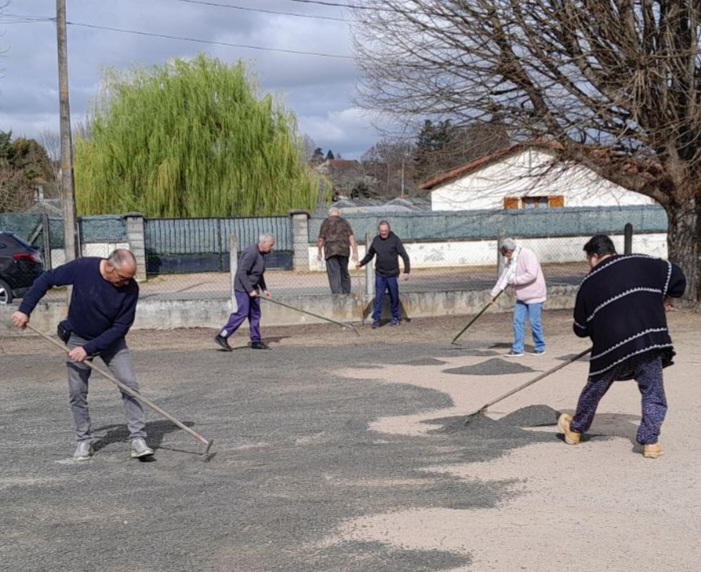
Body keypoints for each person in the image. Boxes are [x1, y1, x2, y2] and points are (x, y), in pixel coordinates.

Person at [10, 249, 154, 461]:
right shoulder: (83, 268)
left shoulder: (131, 289)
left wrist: (88, 349)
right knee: (77, 391)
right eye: (123, 278)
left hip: (110, 341)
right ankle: (83, 441)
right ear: (110, 266)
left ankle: (138, 440)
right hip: (78, 337)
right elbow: (46, 279)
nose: (126, 283)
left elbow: (120, 328)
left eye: (130, 278)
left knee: (129, 384)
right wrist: (24, 310)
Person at [558, 234, 686, 458]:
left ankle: (576, 430)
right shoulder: (643, 261)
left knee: (595, 389)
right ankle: (650, 442)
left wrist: (599, 326)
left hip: (611, 348)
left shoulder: (589, 283)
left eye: (589, 259)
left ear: (595, 256)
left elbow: (580, 328)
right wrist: (667, 299)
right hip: (649, 339)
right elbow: (676, 275)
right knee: (653, 390)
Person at [214, 234, 275, 351]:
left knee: (255, 314)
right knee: (242, 313)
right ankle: (222, 335)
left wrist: (264, 289)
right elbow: (241, 272)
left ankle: (256, 340)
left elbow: (258, 274)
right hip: (242, 288)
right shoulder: (251, 253)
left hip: (253, 288)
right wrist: (250, 290)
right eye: (271, 245)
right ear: (264, 243)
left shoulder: (263, 254)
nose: (272, 248)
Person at [490, 237, 547, 357]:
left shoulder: (527, 255)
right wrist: (493, 294)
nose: (506, 257)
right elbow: (504, 278)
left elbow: (531, 274)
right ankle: (517, 349)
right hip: (521, 296)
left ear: (509, 251)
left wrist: (515, 281)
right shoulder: (511, 261)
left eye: (506, 254)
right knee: (517, 321)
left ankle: (540, 346)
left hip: (535, 295)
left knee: (534, 322)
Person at [356, 220, 410, 328]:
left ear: (389, 230)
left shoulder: (395, 240)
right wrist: (361, 263)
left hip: (392, 274)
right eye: (382, 231)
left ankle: (395, 318)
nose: (384, 233)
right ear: (379, 231)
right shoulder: (376, 241)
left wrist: (407, 271)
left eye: (385, 230)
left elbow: (404, 255)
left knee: (394, 297)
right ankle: (376, 319)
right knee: (379, 297)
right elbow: (370, 254)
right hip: (380, 274)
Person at [317, 207, 359, 294]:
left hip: (330, 251)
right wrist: (354, 252)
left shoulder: (326, 222)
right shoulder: (344, 222)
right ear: (338, 213)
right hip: (344, 251)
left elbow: (321, 239)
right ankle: (346, 294)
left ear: (329, 213)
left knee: (334, 274)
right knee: (344, 272)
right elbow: (351, 237)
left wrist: (319, 252)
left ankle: (338, 296)